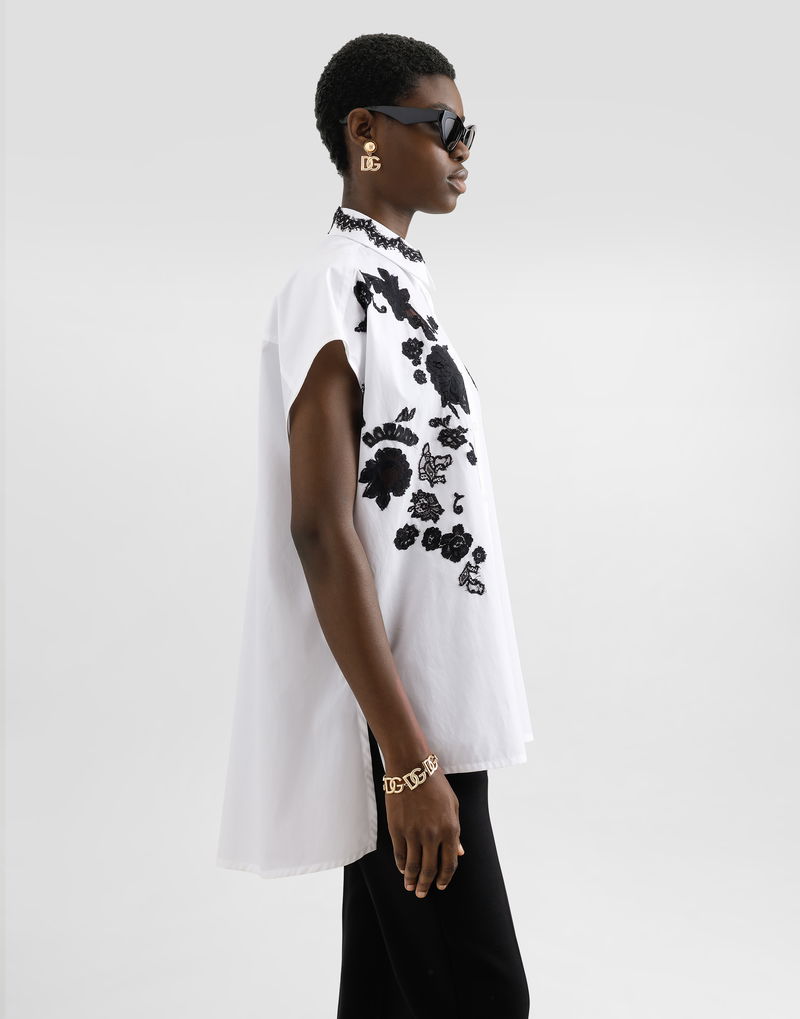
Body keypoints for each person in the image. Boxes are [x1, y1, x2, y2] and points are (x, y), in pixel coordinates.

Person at [216, 32, 535, 1018]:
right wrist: (404, 757)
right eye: (441, 126)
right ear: (365, 132)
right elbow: (319, 530)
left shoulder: (405, 290)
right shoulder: (330, 288)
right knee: (484, 997)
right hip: (400, 721)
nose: (463, 149)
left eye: (469, 131)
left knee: (392, 995)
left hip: (438, 712)